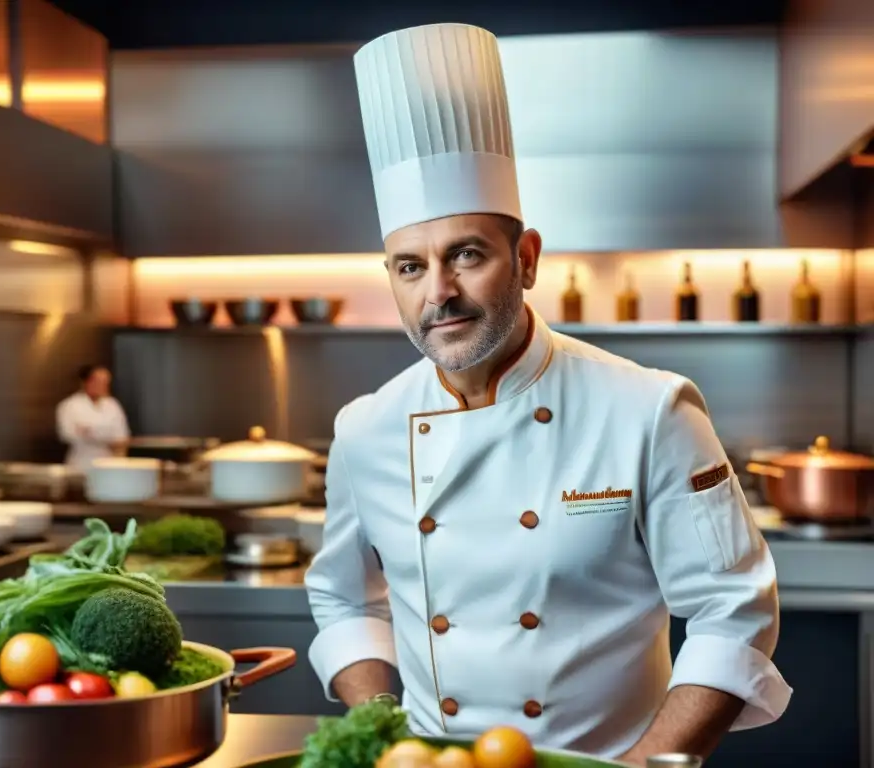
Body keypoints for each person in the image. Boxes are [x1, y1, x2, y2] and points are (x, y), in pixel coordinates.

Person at [303, 22, 790, 765]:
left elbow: (731, 613)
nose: (440, 292)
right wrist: (384, 728)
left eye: (467, 254)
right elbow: (343, 600)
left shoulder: (649, 409)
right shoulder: (366, 429)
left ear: (526, 259)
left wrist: (643, 767)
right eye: (410, 267)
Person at [56, 364, 130, 472]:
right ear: (87, 382)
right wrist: (101, 437)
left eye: (106, 382)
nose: (105, 386)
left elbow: (122, 436)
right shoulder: (69, 405)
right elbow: (67, 435)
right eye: (100, 382)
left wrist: (91, 432)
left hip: (110, 464)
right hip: (81, 465)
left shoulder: (113, 405)